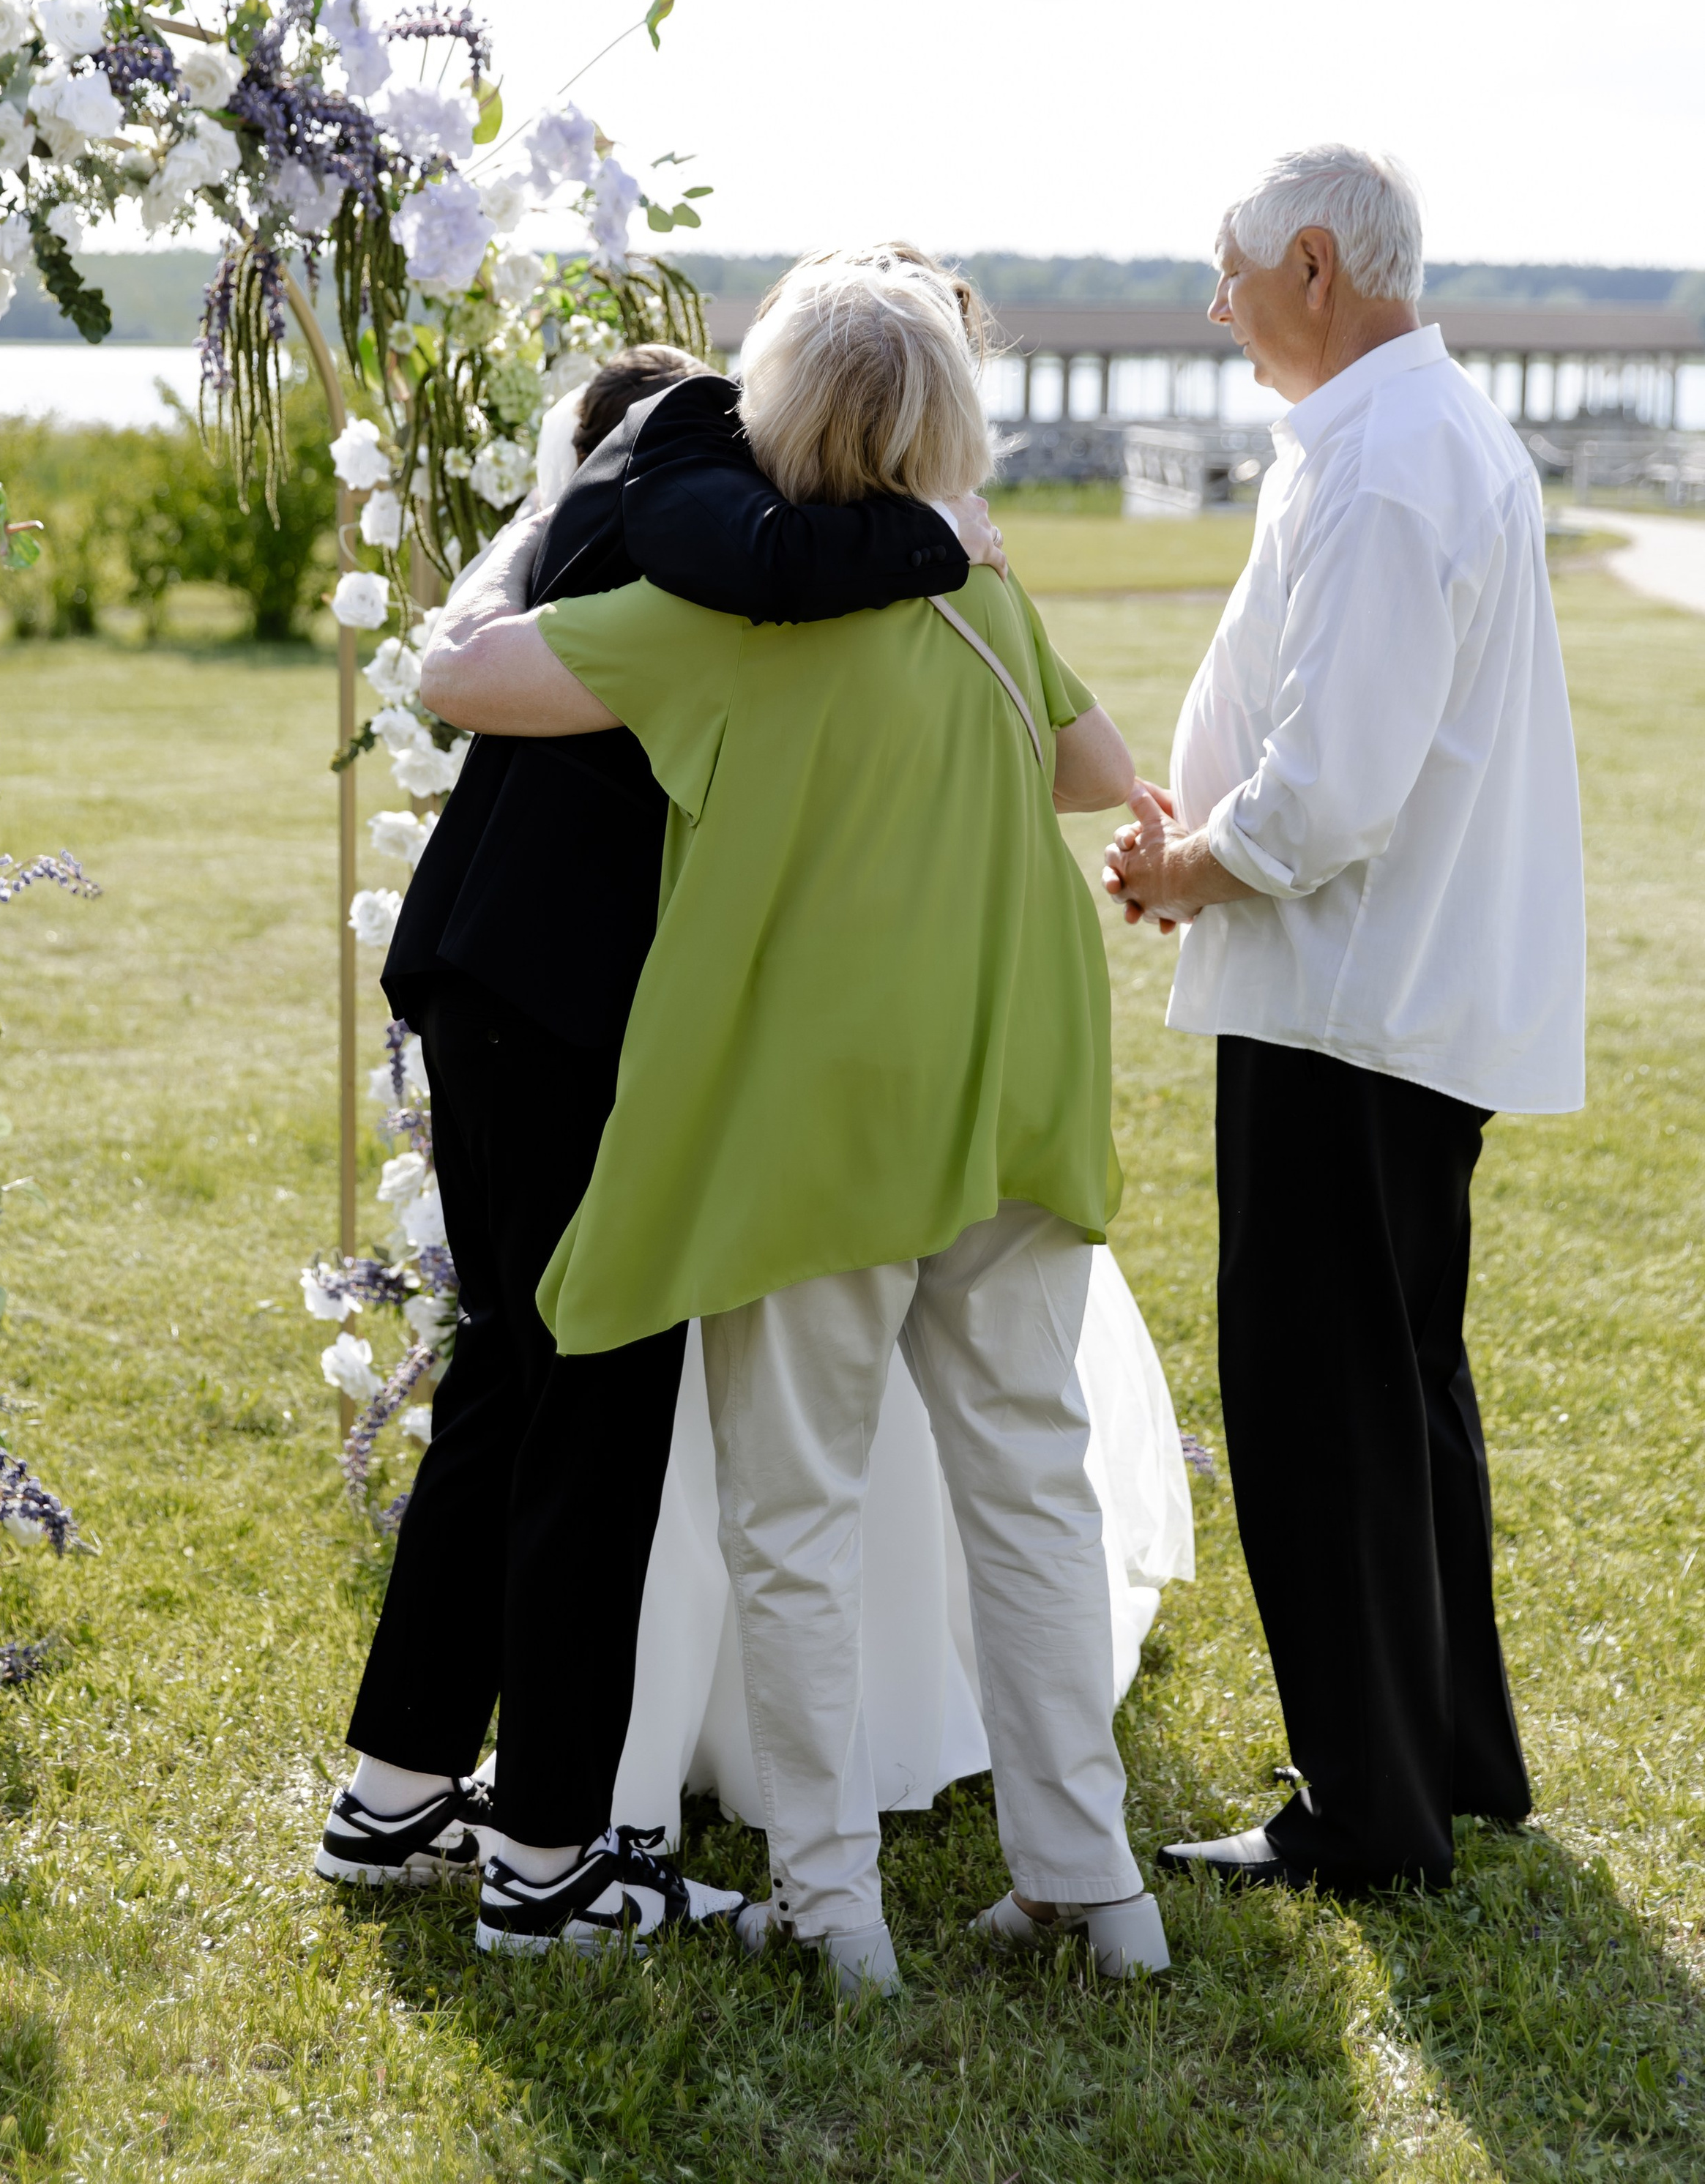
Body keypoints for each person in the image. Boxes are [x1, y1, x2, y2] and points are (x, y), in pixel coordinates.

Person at [433, 247, 1172, 1994]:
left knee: (796, 1519)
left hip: (822, 1130)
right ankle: (1095, 1887)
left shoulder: (712, 629)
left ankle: (836, 1912)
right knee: (1032, 1494)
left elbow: (461, 680)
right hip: (1010, 1094)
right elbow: (1100, 767)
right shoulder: (981, 600)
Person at [313, 329, 1004, 1950]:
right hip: (548, 1007)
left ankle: (394, 1792)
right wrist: (943, 538)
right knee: (593, 1402)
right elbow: (747, 559)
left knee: (507, 1378)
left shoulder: (732, 522)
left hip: (500, 983)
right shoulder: (694, 436)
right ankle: (549, 1864)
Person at [1105, 145, 1584, 1895]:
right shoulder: (1400, 434)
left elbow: (1330, 792)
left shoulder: (1386, 464)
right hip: (1378, 1002)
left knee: (1319, 1407)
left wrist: (1188, 869)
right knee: (1396, 1385)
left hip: (1346, 1007)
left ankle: (1365, 1816)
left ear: (1311, 263)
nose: (1211, 306)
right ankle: (1448, 1756)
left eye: (1224, 271)